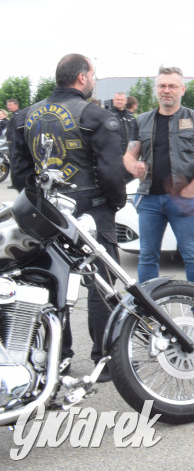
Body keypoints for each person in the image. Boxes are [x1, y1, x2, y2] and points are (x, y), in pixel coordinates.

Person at [9, 54, 126, 381]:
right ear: (81, 78)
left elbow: (20, 175)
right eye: (93, 75)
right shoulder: (95, 115)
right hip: (91, 210)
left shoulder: (23, 118)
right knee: (101, 283)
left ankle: (58, 357)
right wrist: (113, 204)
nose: (94, 81)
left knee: (50, 282)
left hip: (46, 214)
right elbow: (111, 171)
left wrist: (40, 204)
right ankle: (104, 356)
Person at [124, 67, 194, 287]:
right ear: (157, 90)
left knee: (191, 254)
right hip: (149, 200)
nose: (167, 90)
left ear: (181, 90)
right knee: (147, 256)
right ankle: (149, 309)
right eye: (162, 86)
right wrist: (134, 166)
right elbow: (129, 154)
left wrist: (193, 187)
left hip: (183, 200)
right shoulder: (141, 121)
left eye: (172, 86)